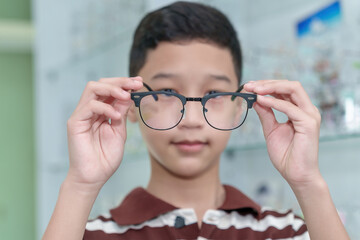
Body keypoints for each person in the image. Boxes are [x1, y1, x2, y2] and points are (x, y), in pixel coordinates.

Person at [42, 1, 350, 239]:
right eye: (166, 91)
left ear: (239, 105)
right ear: (130, 104)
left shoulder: (282, 231)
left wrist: (309, 182)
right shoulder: (93, 234)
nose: (190, 118)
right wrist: (80, 185)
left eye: (214, 92)